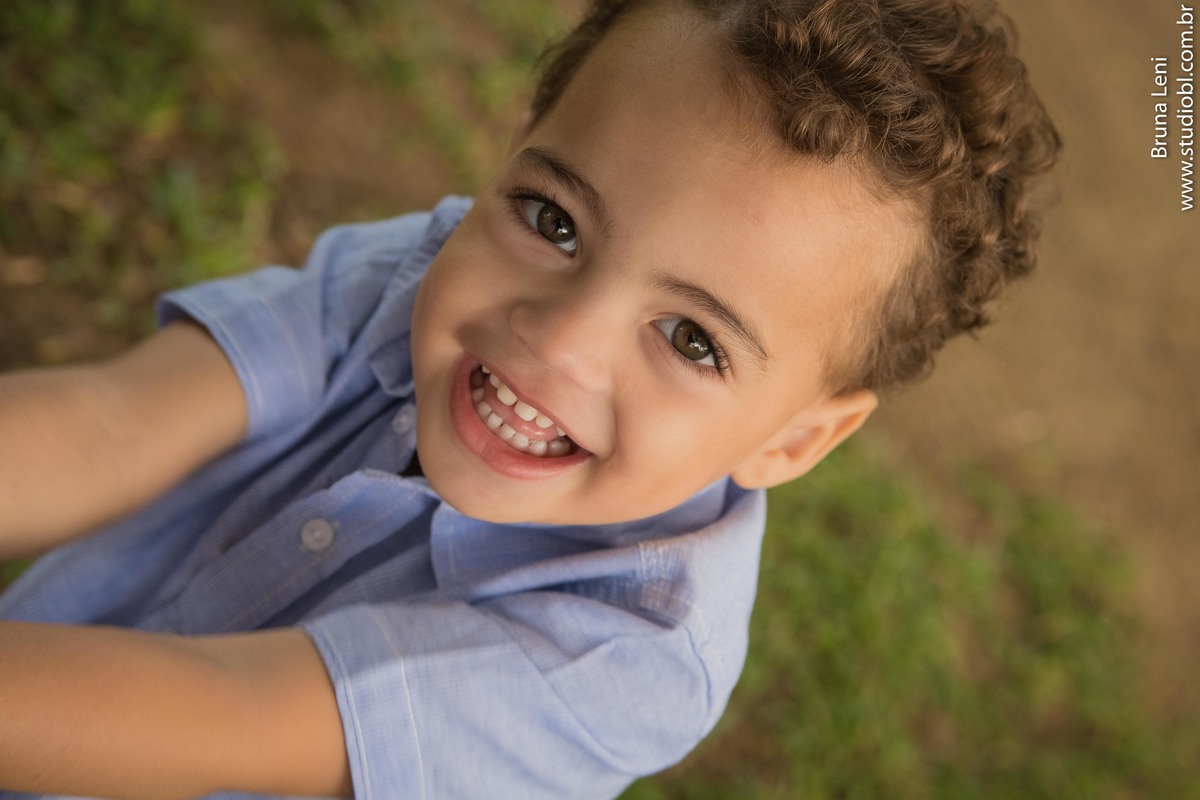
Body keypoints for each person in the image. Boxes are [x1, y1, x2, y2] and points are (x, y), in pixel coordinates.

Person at [0, 0, 1059, 797]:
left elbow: (234, 710)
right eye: (553, 220)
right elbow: (114, 423)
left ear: (796, 438)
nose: (558, 338)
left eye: (691, 338)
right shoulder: (410, 277)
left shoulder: (628, 655)